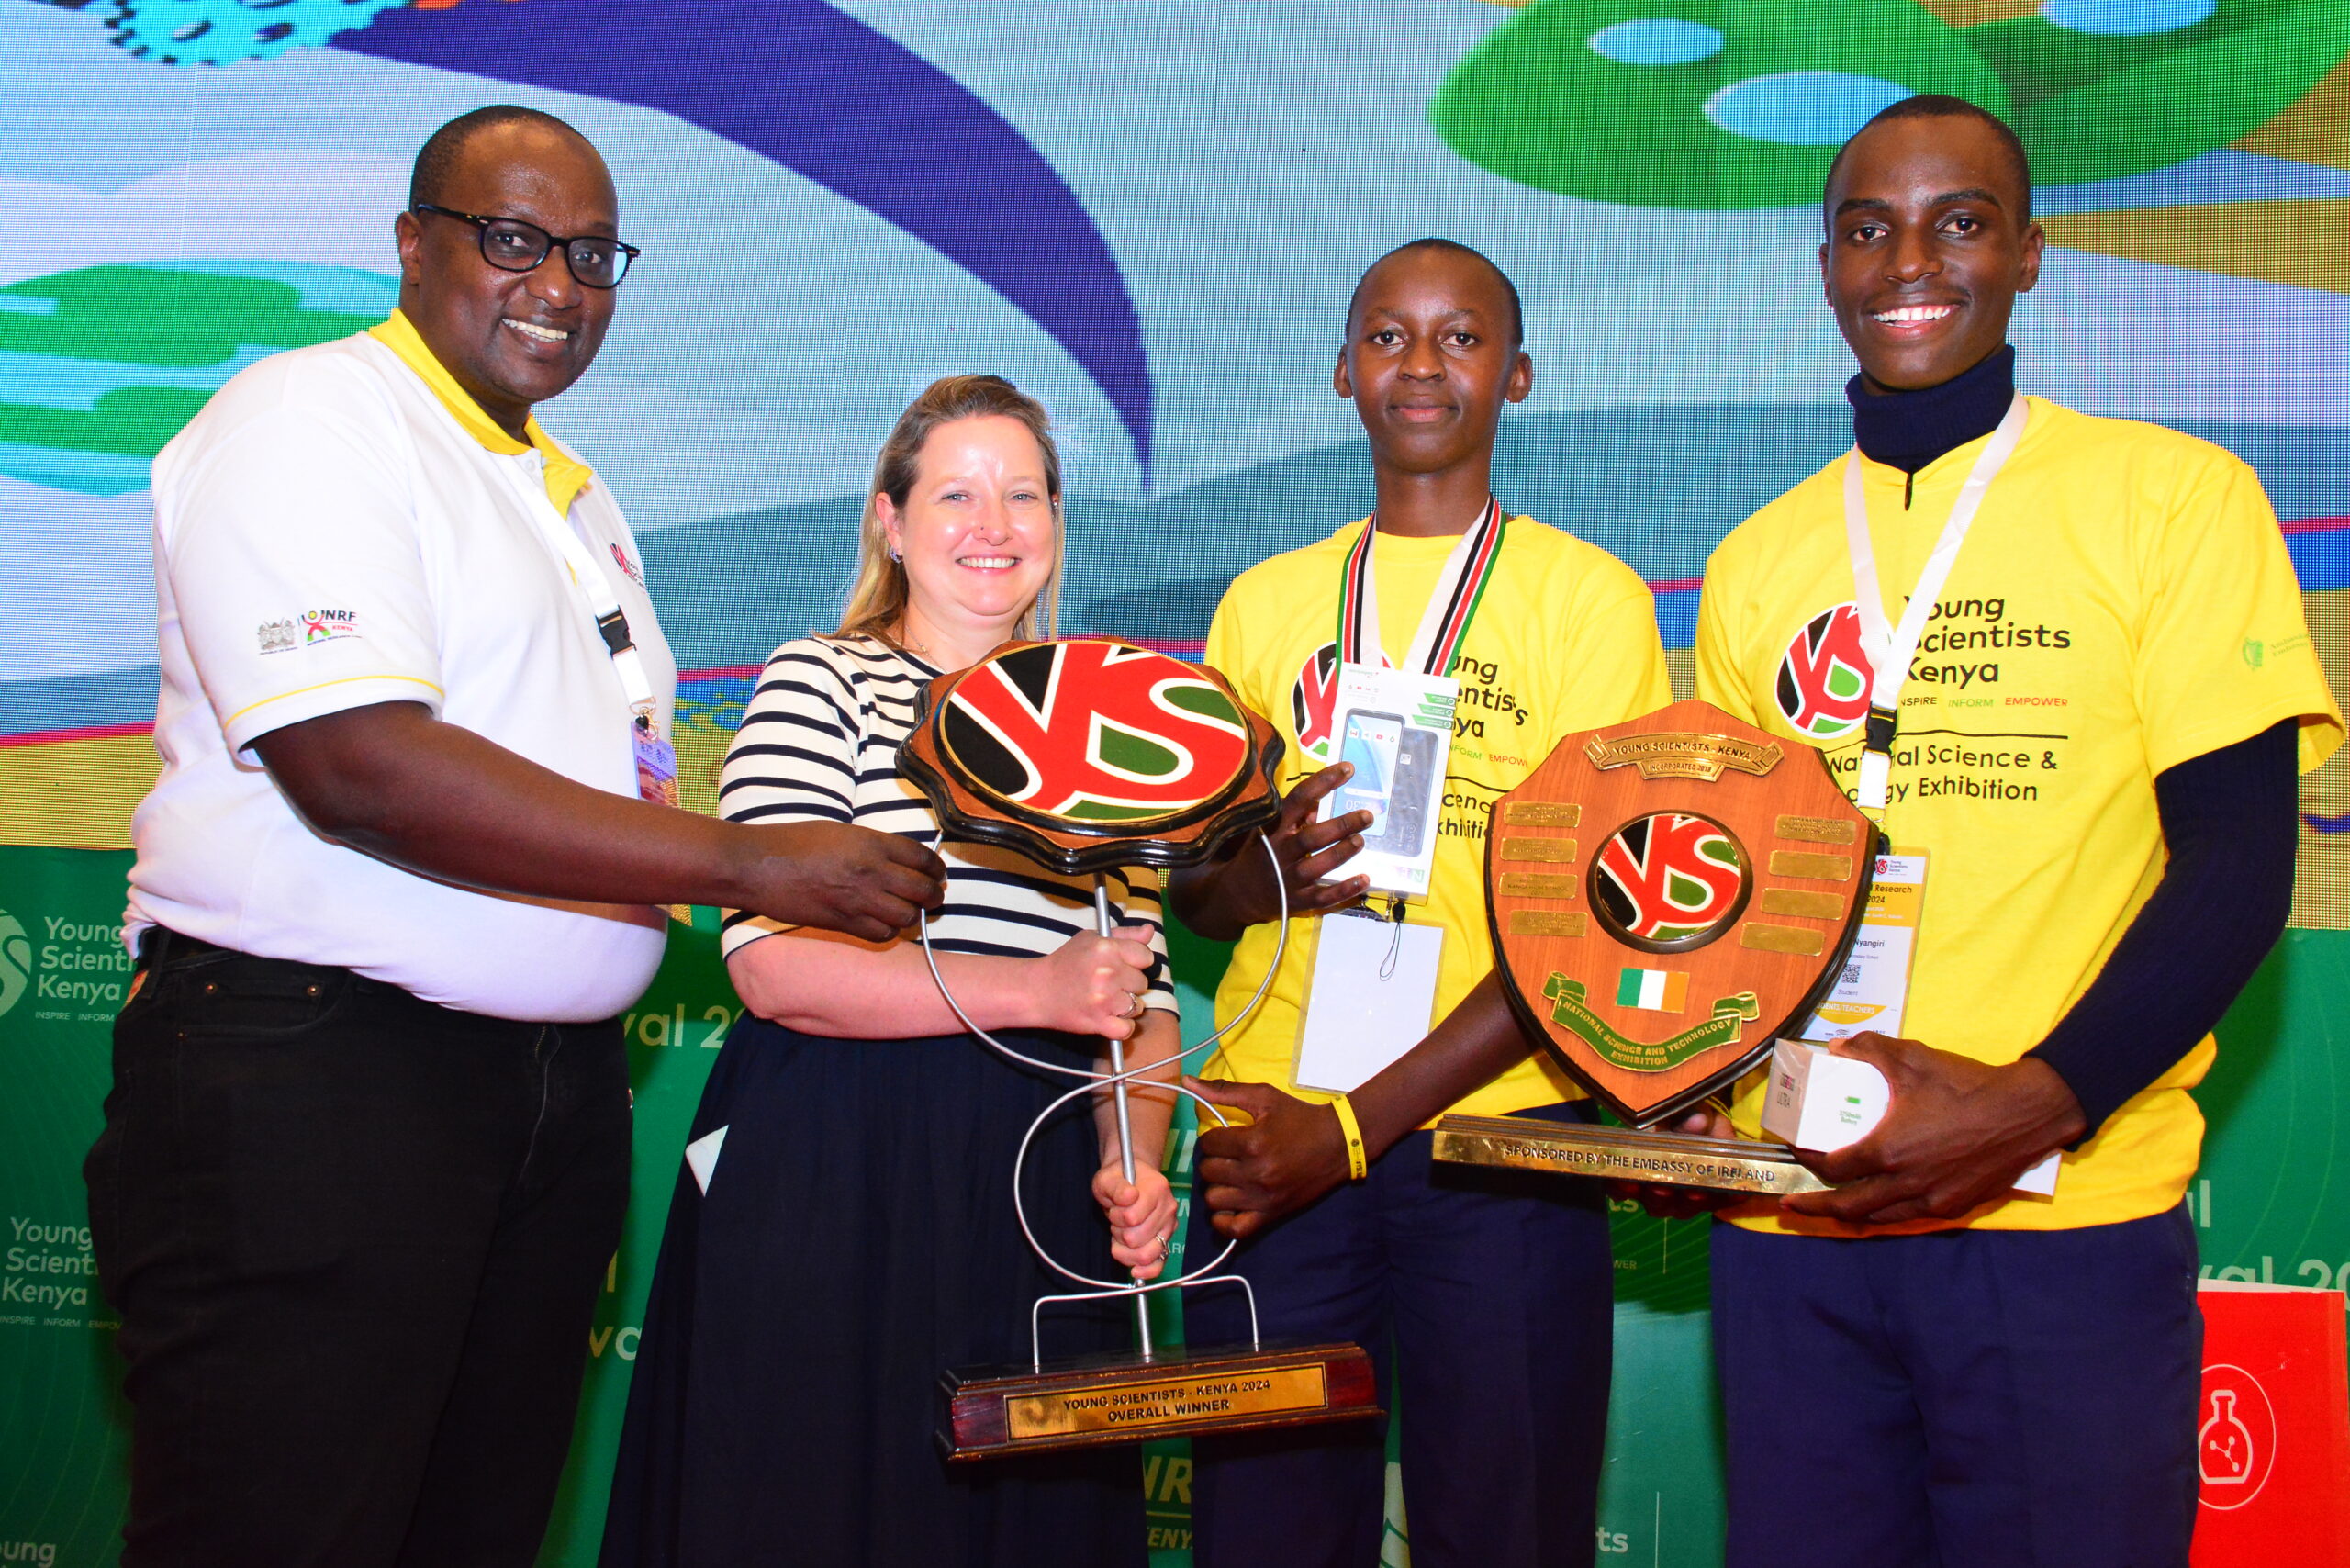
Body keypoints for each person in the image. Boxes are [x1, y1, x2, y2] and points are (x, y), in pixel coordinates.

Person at [1196, 98, 2342, 1568]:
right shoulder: (1756, 565)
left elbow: (2240, 869)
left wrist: (2041, 1100)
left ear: (2034, 254)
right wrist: (1683, 1090)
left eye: (1961, 222)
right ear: (1824, 271)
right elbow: (1710, 899)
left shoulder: (2177, 501)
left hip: (2055, 1211)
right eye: (1868, 230)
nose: (1910, 262)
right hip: (1792, 1226)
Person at [84, 106, 944, 1568]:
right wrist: (753, 864)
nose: (557, 282)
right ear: (413, 245)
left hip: (534, 1106)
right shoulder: (311, 419)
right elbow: (358, 766)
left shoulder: (568, 489)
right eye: (512, 239)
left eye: (593, 254)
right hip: (321, 1079)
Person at [600, 374, 1181, 1568]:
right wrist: (1036, 993)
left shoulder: (1112, 736)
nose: (994, 524)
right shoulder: (821, 680)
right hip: (836, 1169)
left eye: (1024, 494)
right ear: (889, 520)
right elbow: (774, 970)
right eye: (957, 491)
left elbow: (1144, 998)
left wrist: (1135, 1159)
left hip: (1041, 1187)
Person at [1171, 240, 1673, 1567]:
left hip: (1497, 1140)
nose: (1422, 363)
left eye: (1460, 338)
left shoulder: (1591, 602)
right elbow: (1207, 900)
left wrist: (1350, 1132)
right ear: (1345, 373)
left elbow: (1592, 935)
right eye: (1389, 336)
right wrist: (1259, 869)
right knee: (1266, 1532)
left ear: (1517, 375)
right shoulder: (1265, 604)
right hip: (1262, 1135)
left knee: (1504, 1529)